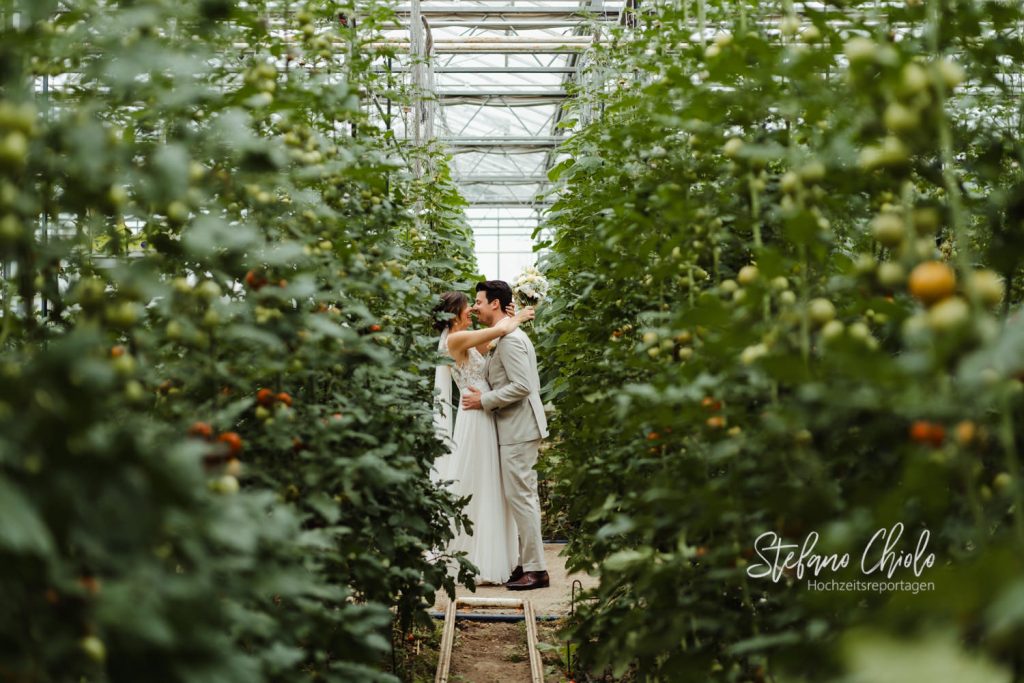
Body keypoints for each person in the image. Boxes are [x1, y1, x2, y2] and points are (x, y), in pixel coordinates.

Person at [431, 290, 534, 584]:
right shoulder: (454, 339)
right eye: (468, 308)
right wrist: (522, 316)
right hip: (475, 417)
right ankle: (474, 556)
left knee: (489, 482)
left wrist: (508, 316)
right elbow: (500, 329)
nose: (472, 312)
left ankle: (489, 553)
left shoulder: (465, 337)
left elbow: (493, 341)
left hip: (483, 413)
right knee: (478, 481)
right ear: (454, 314)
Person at [461, 280, 550, 591]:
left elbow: (523, 385)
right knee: (520, 497)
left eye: (480, 302)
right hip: (517, 427)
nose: (476, 307)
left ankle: (536, 570)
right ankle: (527, 564)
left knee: (522, 497)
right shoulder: (506, 335)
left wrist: (483, 400)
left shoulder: (510, 341)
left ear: (495, 304)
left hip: (519, 429)